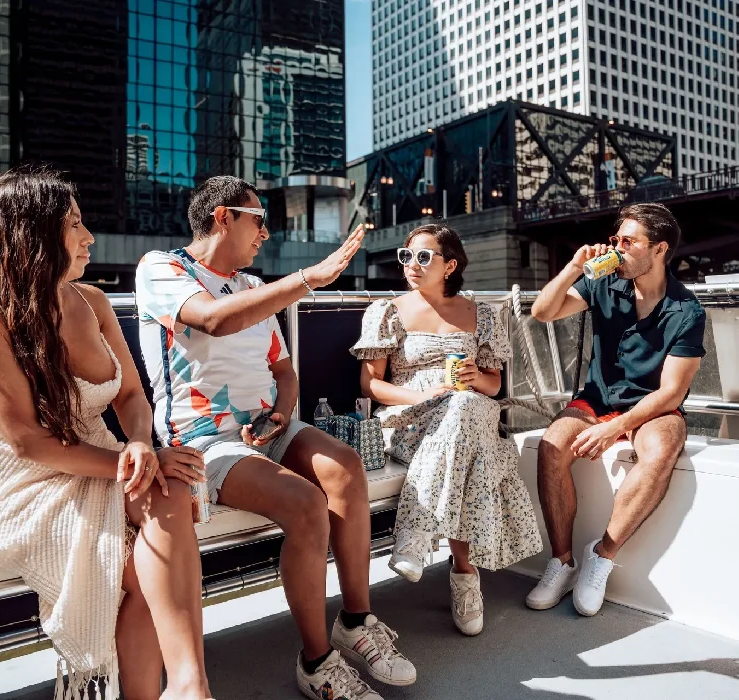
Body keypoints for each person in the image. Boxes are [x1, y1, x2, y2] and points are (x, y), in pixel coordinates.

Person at [0, 168, 215, 700]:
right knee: (145, 563)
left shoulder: (92, 302)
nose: (88, 237)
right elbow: (27, 442)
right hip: (16, 479)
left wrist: (141, 445)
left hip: (96, 455)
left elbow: (131, 398)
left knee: (170, 495)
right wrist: (131, 462)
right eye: (73, 224)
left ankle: (190, 686)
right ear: (29, 235)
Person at [135, 175, 416, 700]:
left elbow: (284, 374)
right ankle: (317, 662)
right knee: (307, 504)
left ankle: (355, 622)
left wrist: (282, 415)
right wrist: (310, 277)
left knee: (346, 467)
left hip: (268, 427)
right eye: (259, 219)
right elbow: (213, 321)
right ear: (223, 217)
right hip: (202, 441)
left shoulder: (250, 288)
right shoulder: (163, 268)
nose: (265, 232)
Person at [350, 223, 542, 636]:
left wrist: (474, 375)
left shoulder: (482, 315)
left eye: (424, 257)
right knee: (466, 427)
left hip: (466, 413)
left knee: (466, 403)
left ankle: (417, 537)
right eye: (407, 256)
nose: (412, 265)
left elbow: (493, 386)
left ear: (450, 265)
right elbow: (372, 386)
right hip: (412, 419)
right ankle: (464, 575)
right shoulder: (387, 311)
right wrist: (421, 397)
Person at [526, 203, 705, 617]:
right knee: (552, 445)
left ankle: (601, 556)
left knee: (662, 448)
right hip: (598, 398)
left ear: (658, 250)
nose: (617, 248)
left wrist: (618, 428)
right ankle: (562, 562)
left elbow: (672, 393)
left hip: (650, 407)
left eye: (628, 242)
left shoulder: (687, 311)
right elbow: (542, 312)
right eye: (616, 240)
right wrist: (574, 268)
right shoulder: (605, 283)